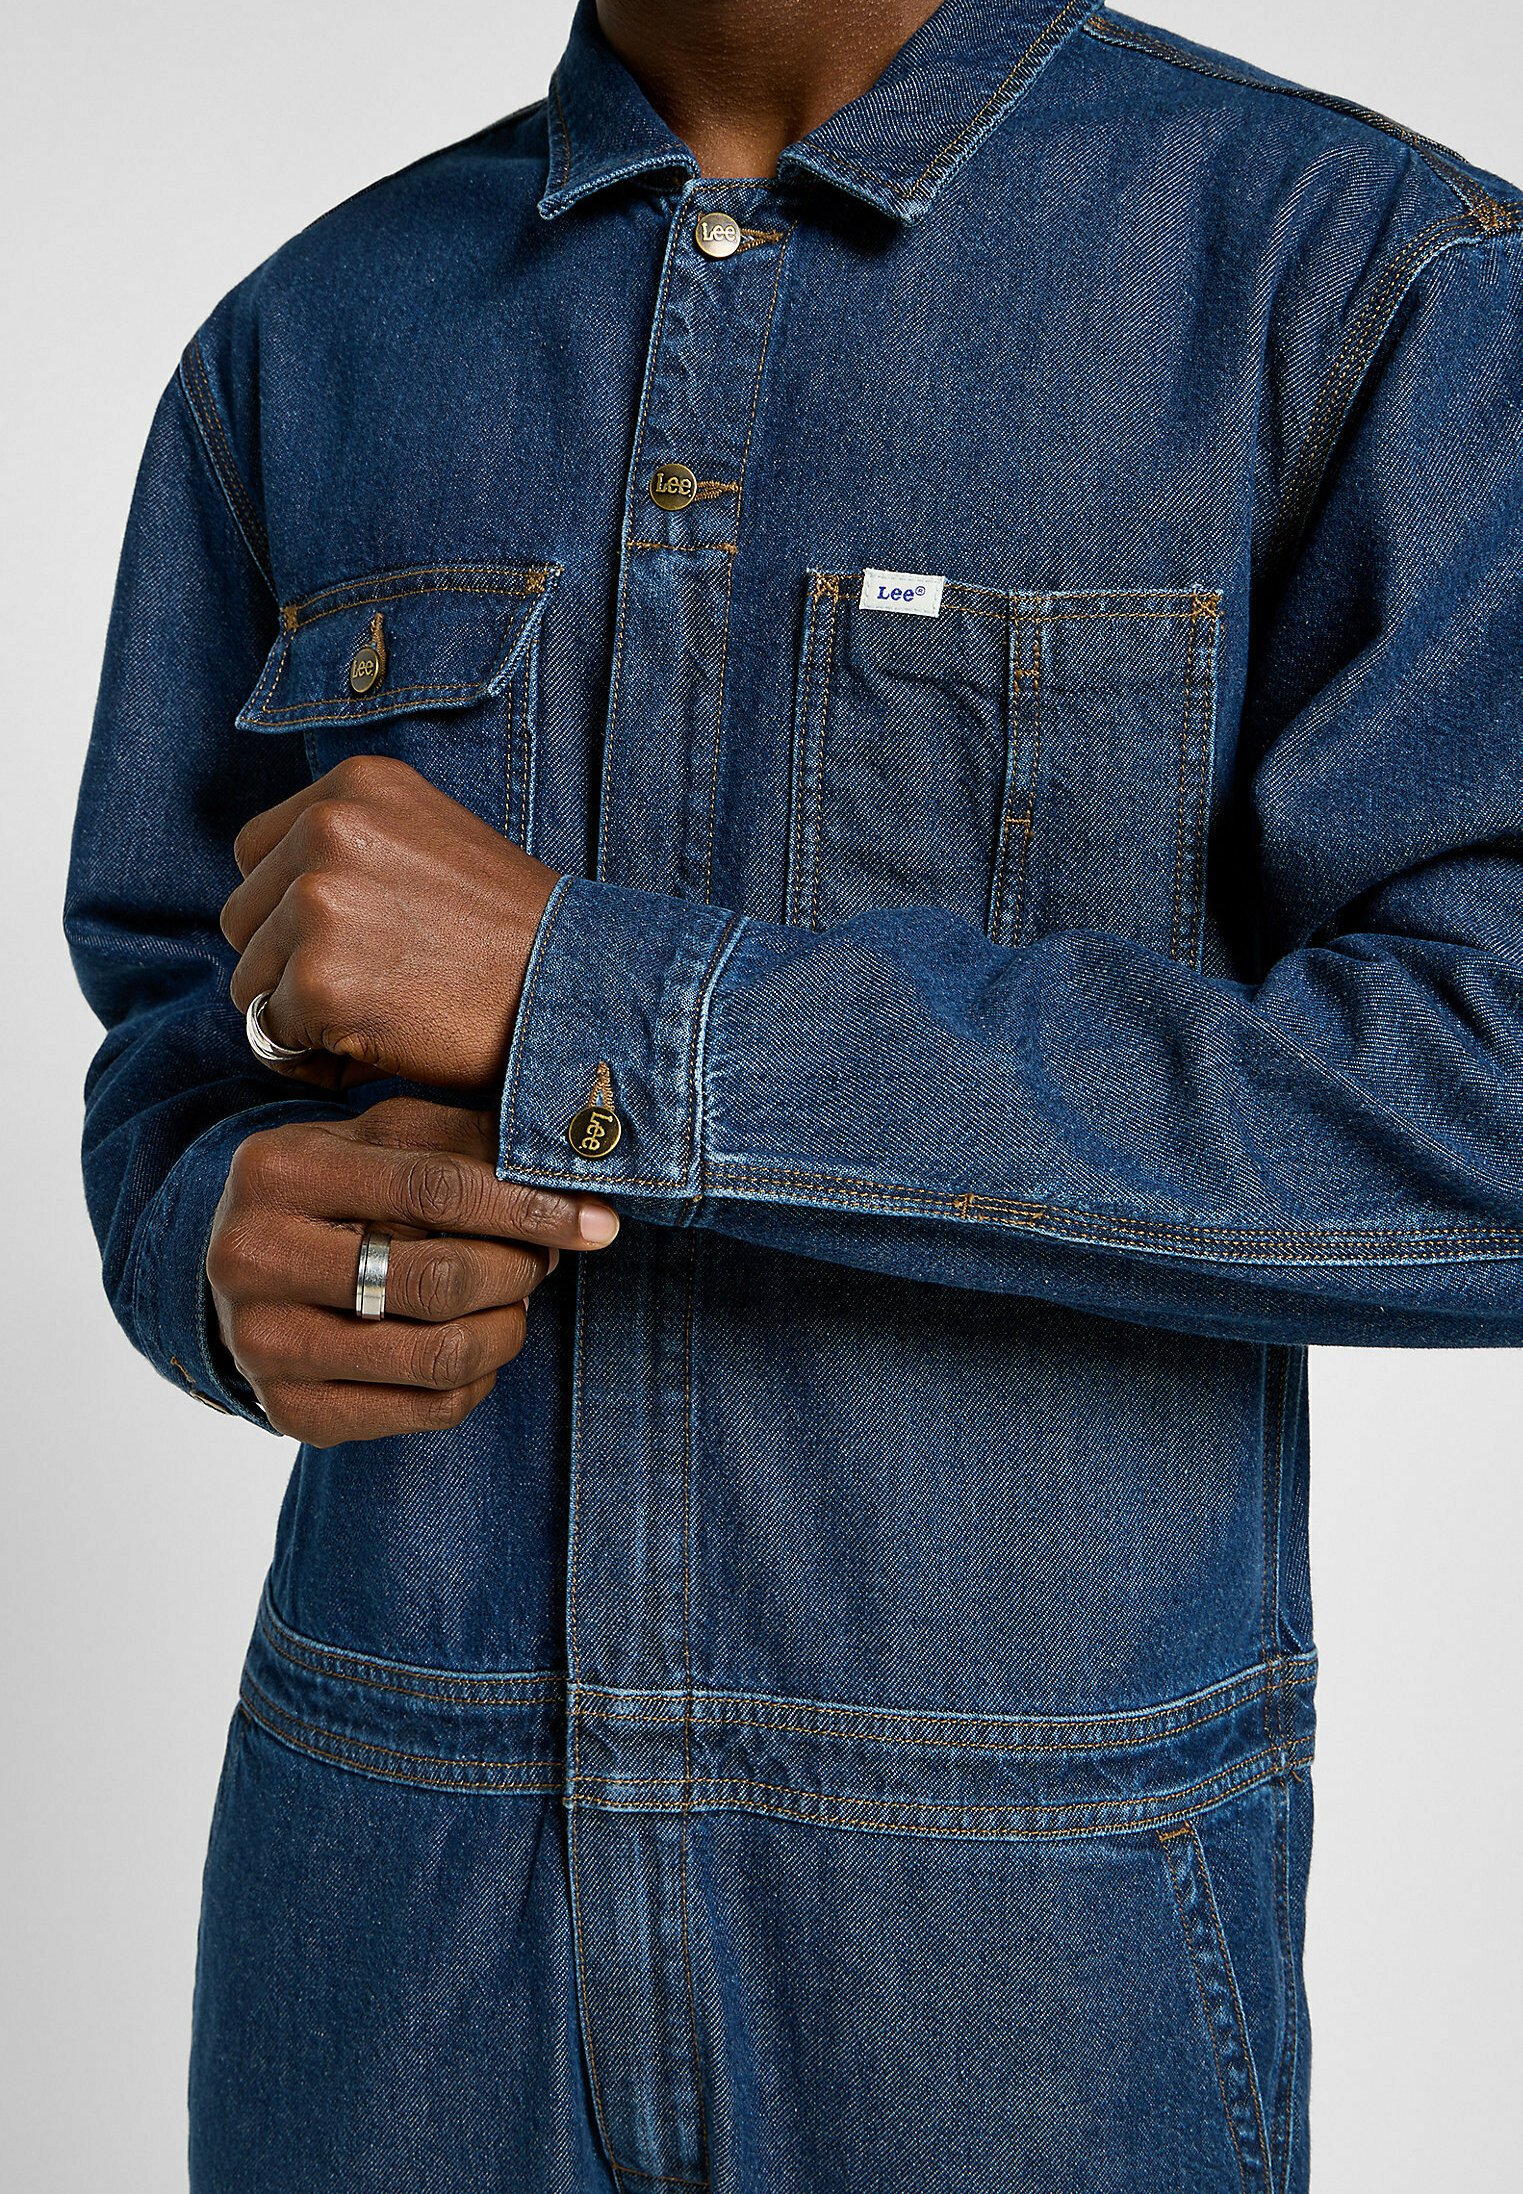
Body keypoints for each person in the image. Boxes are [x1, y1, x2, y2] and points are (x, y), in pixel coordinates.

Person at [64, 0, 1523, 2187]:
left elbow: (1490, 1107)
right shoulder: (312, 337)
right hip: (385, 1955)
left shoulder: (1359, 281)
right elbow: (175, 1031)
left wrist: (597, 1000)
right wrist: (209, 1232)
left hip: (1012, 1998)